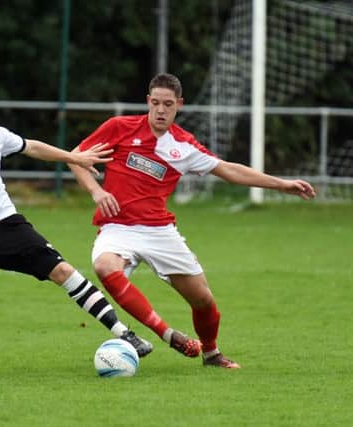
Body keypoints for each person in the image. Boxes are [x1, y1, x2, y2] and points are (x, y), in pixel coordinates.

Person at [68, 73, 316, 369]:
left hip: (160, 232)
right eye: (156, 103)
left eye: (168, 104)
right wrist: (96, 191)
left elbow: (229, 170)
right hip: (117, 228)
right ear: (148, 101)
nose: (161, 110)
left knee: (203, 301)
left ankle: (211, 354)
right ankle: (167, 334)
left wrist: (281, 184)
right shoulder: (119, 128)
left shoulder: (183, 146)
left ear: (179, 105)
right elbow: (75, 157)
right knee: (104, 266)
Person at [0, 78, 152, 376]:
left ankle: (124, 333)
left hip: (8, 224)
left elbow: (32, 147)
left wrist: (74, 157)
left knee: (64, 272)